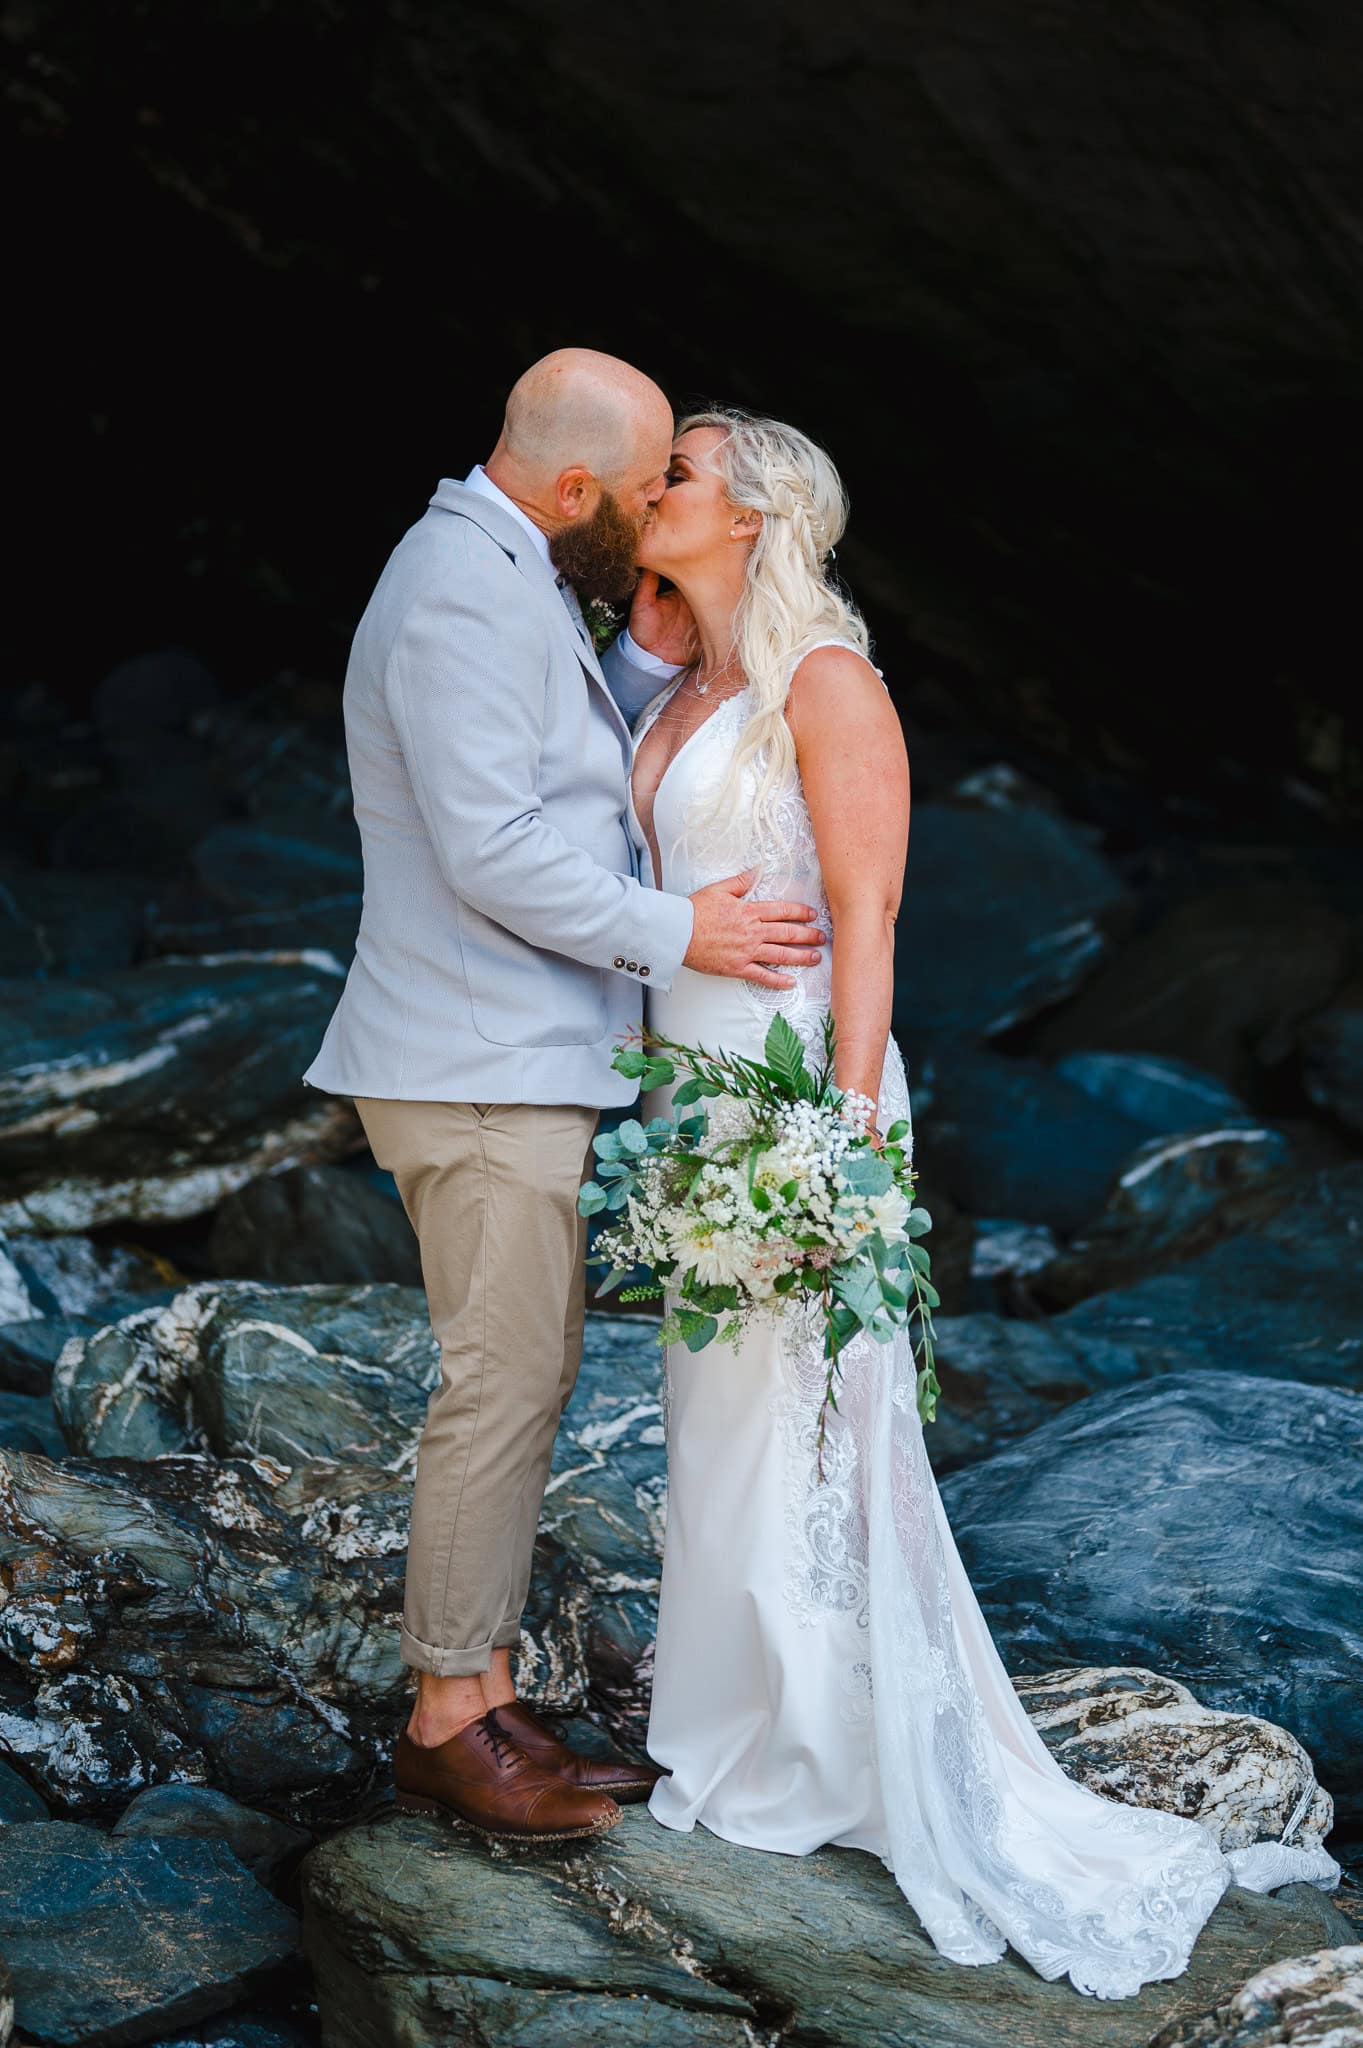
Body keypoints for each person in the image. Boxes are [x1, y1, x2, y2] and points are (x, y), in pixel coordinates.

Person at [626, 406, 1341, 1996]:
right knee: (715, 1416)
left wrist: (844, 1150)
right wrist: (654, 621)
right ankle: (740, 1724)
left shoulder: (829, 684)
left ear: (756, 514)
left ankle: (827, 1745)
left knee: (805, 1418)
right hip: (685, 1098)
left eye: (678, 470)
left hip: (793, 1097)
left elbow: (867, 923)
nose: (650, 486)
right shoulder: (691, 682)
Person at [302, 352, 830, 1843]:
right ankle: (447, 1718)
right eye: (652, 477)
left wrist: (646, 670)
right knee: (504, 1384)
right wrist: (687, 933)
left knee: (519, 1373)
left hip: (505, 1057)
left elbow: (545, 745)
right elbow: (491, 845)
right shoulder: (461, 583)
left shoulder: (501, 563)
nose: (664, 500)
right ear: (581, 487)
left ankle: (482, 1688)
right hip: (472, 1065)